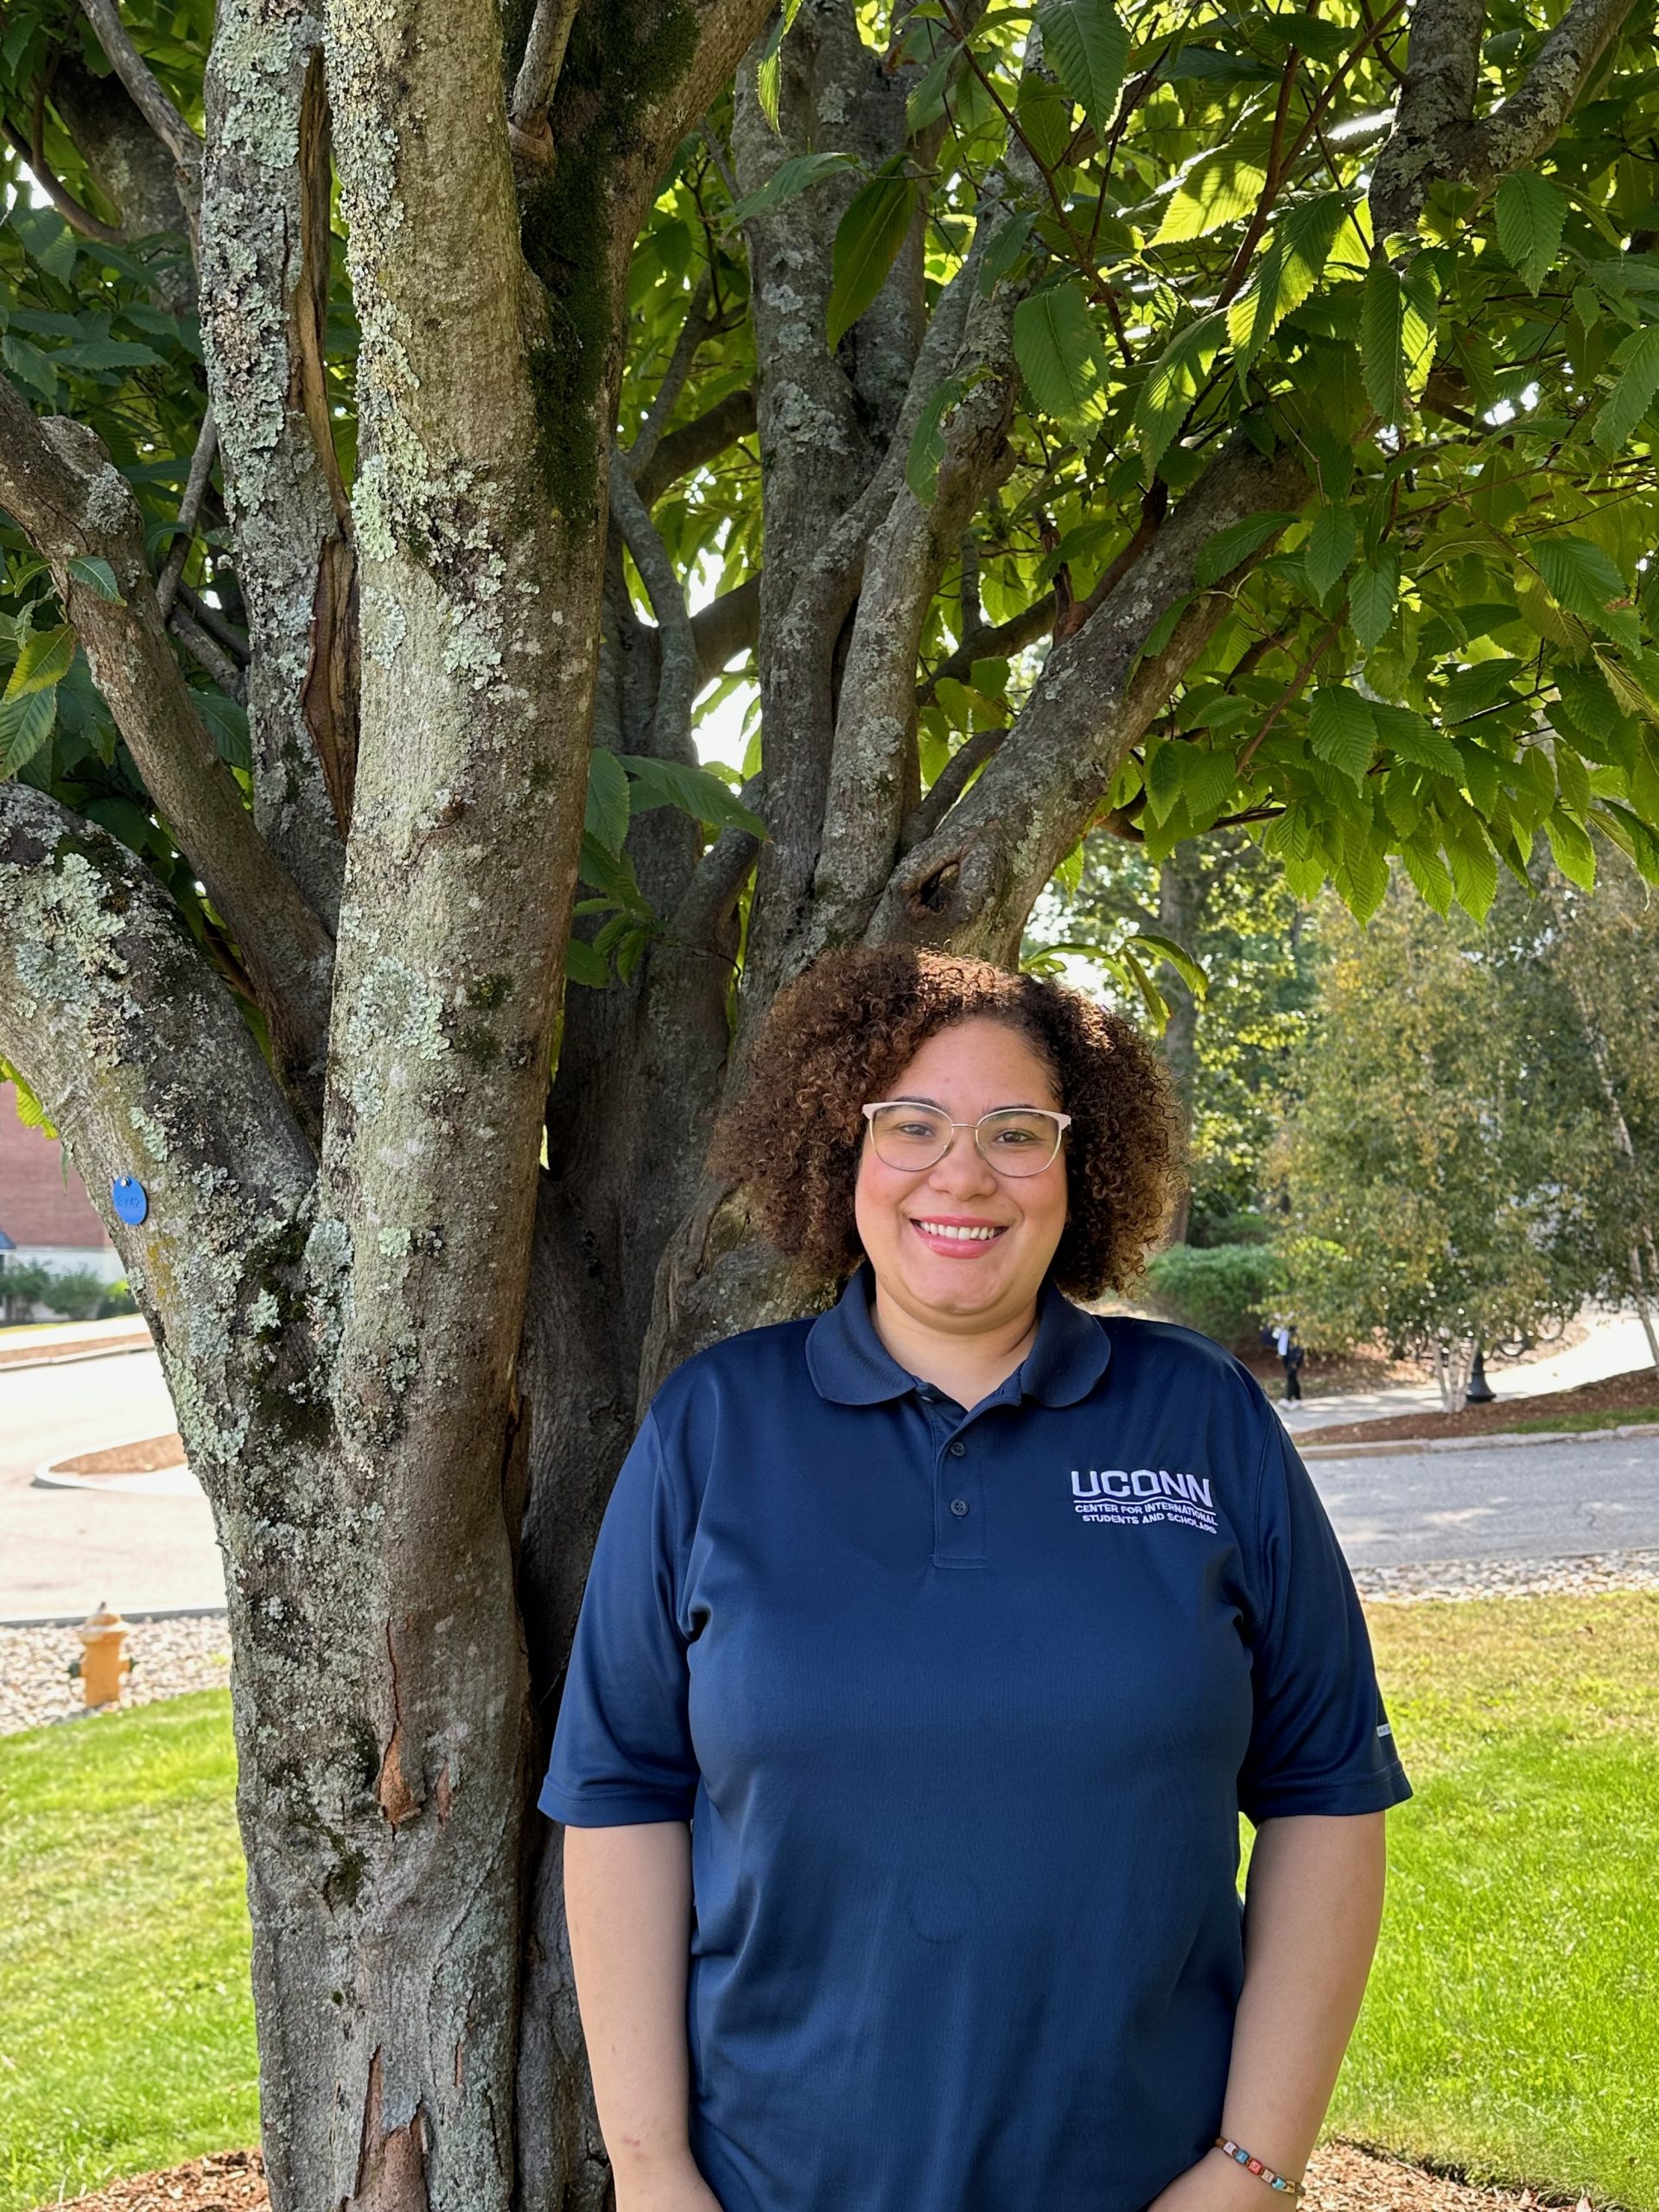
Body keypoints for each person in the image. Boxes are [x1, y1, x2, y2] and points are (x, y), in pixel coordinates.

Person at [540, 947, 1411, 2212]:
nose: (963, 1173)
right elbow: (620, 1798)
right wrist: (656, 2171)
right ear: (840, 1152)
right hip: (774, 2185)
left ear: (1081, 1167)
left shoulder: (1200, 1417)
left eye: (1016, 1130)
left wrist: (1253, 2171)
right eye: (912, 1124)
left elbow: (1329, 1788)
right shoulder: (715, 1428)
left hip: (1144, 2183)